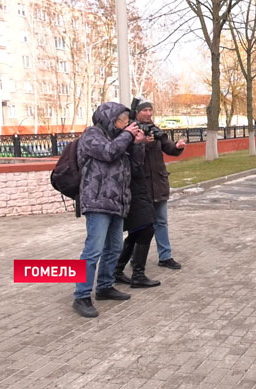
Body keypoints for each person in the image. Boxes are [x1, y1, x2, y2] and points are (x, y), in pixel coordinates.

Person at [72, 102, 145, 318]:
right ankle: (81, 295)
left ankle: (105, 286)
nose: (125, 123)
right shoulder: (92, 134)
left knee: (113, 248)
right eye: (121, 119)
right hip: (96, 201)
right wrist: (127, 135)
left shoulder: (119, 138)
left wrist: (138, 143)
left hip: (117, 202)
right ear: (108, 117)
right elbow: (108, 152)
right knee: (93, 250)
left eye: (126, 120)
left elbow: (135, 167)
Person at [135, 101, 186, 269]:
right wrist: (142, 144)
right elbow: (128, 153)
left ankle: (165, 256)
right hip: (141, 186)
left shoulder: (155, 129)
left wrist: (177, 146)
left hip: (159, 183)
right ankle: (135, 259)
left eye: (150, 110)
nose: (149, 113)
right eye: (145, 110)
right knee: (140, 225)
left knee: (161, 222)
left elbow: (167, 145)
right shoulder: (131, 130)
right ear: (137, 112)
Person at [113, 132, 161, 288]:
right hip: (131, 191)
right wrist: (138, 144)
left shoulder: (127, 136)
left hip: (137, 189)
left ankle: (118, 270)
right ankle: (137, 275)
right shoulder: (120, 138)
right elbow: (132, 166)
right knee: (146, 229)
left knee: (137, 231)